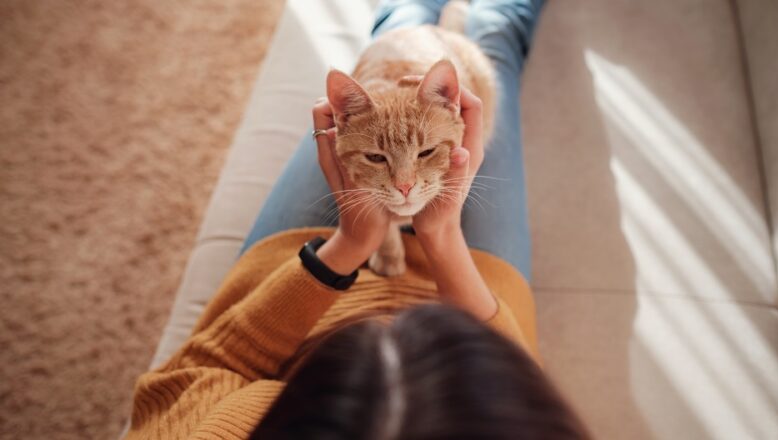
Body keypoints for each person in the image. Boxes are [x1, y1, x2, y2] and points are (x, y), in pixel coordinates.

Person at [125, 0, 589, 438]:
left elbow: (204, 366)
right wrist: (443, 236)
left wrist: (349, 244)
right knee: (496, 38)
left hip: (317, 261)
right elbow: (513, 370)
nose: (405, 186)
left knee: (397, 39)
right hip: (475, 283)